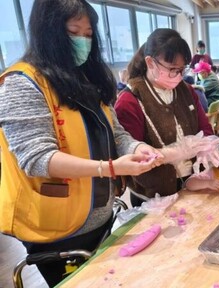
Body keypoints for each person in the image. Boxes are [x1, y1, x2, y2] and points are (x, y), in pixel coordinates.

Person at [0, 1, 164, 286]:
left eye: (88, 35)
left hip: (99, 217)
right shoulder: (22, 82)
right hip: (56, 229)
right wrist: (109, 167)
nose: (83, 42)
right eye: (74, 32)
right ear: (48, 33)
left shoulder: (88, 78)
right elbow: (37, 159)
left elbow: (116, 132)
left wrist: (136, 148)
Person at [115, 28, 218, 207]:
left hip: (192, 183)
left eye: (181, 70)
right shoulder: (130, 100)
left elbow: (205, 128)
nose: (177, 76)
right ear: (150, 62)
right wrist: (177, 152)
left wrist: (207, 145)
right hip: (153, 195)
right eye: (171, 69)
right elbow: (134, 155)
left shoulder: (186, 91)